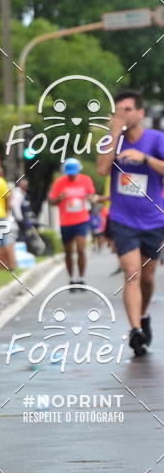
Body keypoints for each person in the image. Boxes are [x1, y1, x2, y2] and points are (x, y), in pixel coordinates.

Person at [96, 89, 164, 356]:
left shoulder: (156, 139)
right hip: (122, 219)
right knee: (132, 272)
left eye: (127, 110)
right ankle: (135, 330)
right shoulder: (112, 140)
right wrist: (114, 133)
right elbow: (101, 169)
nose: (122, 115)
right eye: (118, 111)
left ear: (140, 113)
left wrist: (144, 159)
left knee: (147, 276)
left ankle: (143, 316)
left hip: (153, 219)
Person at [48, 157, 95, 288]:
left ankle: (81, 278)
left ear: (78, 170)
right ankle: (72, 278)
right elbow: (51, 201)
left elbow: (91, 195)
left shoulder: (86, 180)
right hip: (66, 222)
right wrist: (59, 198)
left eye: (73, 173)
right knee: (68, 251)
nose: (71, 175)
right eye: (69, 173)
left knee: (80, 248)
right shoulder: (59, 182)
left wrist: (91, 199)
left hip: (81, 219)